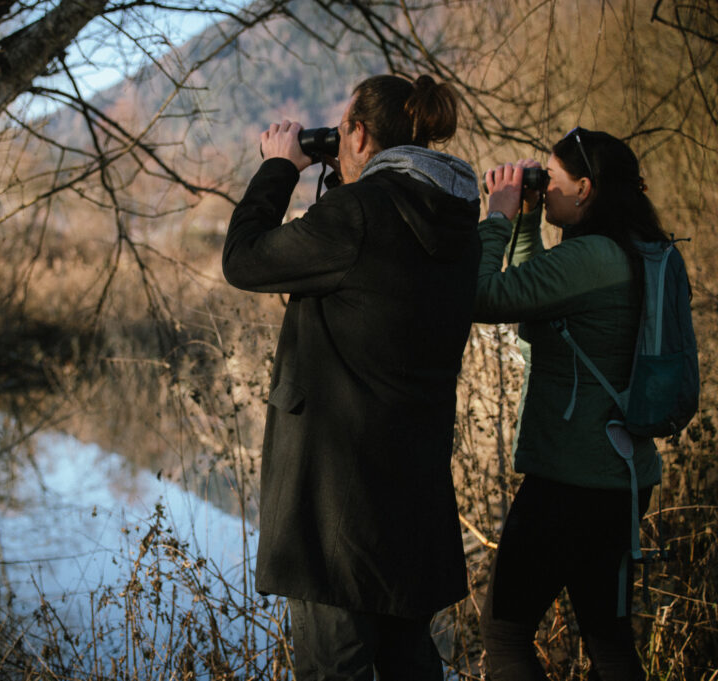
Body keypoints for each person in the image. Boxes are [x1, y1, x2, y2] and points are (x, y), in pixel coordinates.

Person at [222, 74, 481, 680]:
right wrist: (343, 179)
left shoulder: (355, 219)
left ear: (359, 135)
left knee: (332, 670)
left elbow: (243, 259)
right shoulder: (457, 222)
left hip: (335, 508)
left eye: (342, 132)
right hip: (411, 493)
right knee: (409, 666)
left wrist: (280, 168)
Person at [475, 128, 668, 680]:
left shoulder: (590, 259)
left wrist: (498, 218)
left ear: (584, 189)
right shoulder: (629, 251)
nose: (546, 189)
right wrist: (532, 220)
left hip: (570, 480)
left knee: (505, 634)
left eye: (552, 182)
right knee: (607, 637)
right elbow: (539, 312)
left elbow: (484, 295)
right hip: (623, 474)